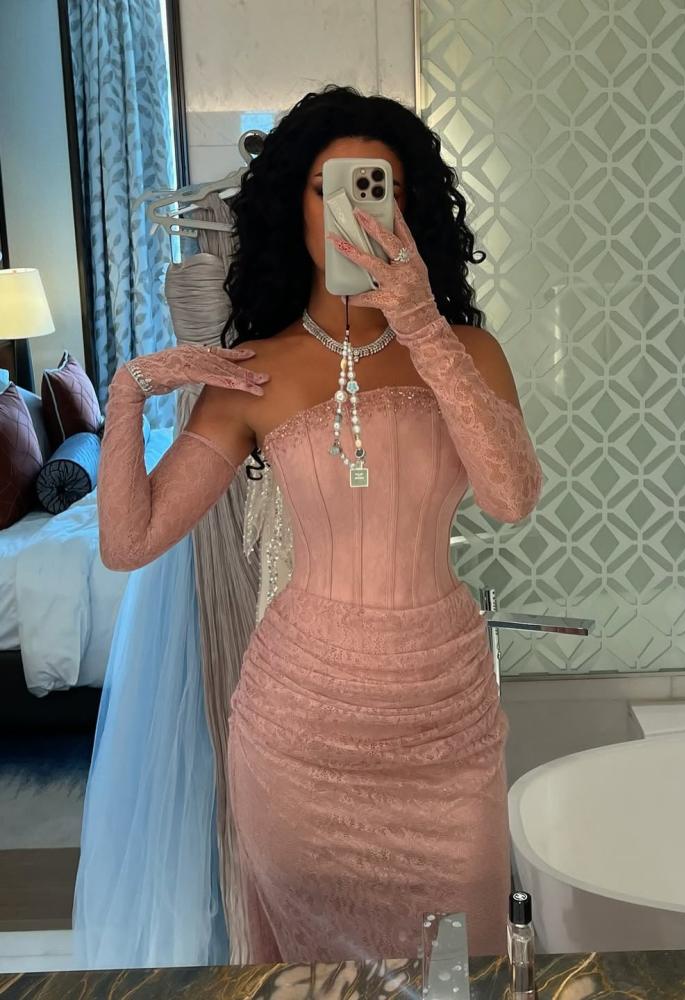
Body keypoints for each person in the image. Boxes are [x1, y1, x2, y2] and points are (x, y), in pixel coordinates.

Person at [96, 83, 543, 964]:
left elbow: (511, 496)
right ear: (290, 204)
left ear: (412, 210)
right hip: (300, 734)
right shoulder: (253, 370)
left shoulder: (466, 352)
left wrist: (421, 323)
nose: (354, 213)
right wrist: (125, 396)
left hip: (445, 727)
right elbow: (128, 541)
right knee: (310, 975)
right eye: (329, 189)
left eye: (380, 189)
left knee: (457, 970)